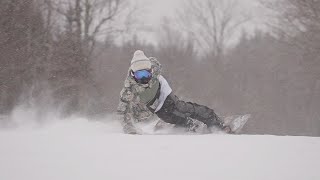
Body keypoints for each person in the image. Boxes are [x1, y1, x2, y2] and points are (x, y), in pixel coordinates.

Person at [117, 50, 232, 134]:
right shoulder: (129, 89)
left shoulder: (154, 70)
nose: (144, 78)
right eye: (139, 75)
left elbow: (155, 62)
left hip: (162, 91)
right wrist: (129, 128)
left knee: (180, 108)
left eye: (146, 74)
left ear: (151, 71)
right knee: (168, 116)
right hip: (154, 104)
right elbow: (122, 111)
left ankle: (216, 122)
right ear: (133, 74)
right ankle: (191, 125)